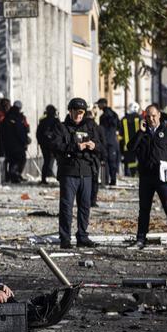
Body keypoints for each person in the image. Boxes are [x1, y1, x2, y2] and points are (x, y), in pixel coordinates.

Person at [45, 98, 101, 249]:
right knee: (66, 207)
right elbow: (55, 145)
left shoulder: (90, 126)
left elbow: (102, 145)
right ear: (70, 111)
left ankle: (82, 236)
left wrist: (93, 145)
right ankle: (65, 239)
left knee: (85, 207)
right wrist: (75, 146)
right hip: (68, 172)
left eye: (81, 112)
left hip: (87, 172)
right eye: (76, 112)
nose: (78, 115)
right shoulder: (61, 127)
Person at [127, 104, 167, 250]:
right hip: (146, 177)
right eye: (148, 116)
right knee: (144, 210)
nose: (151, 119)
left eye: (153, 115)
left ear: (159, 115)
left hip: (163, 179)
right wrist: (140, 132)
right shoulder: (142, 133)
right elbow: (130, 148)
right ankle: (140, 239)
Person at [4, 100, 30, 183]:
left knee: (12, 160)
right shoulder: (18, 117)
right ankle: (15, 175)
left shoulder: (7, 115)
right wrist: (25, 142)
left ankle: (14, 176)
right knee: (20, 159)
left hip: (7, 143)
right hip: (17, 144)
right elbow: (20, 131)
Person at [96, 98, 120, 185]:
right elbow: (118, 126)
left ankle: (108, 180)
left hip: (107, 141)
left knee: (107, 161)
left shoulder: (104, 116)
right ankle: (111, 180)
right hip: (112, 141)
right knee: (111, 161)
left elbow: (102, 130)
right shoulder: (114, 114)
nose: (98, 106)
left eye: (99, 104)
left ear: (103, 104)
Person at [87, 106, 107, 207]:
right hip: (96, 157)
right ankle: (93, 200)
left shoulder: (83, 128)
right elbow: (103, 144)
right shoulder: (99, 128)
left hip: (85, 158)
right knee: (95, 180)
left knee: (86, 180)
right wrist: (104, 157)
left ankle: (86, 200)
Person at [37, 104, 60, 184]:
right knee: (58, 160)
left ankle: (44, 179)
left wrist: (40, 142)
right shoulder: (56, 121)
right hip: (53, 144)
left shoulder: (42, 120)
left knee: (47, 161)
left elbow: (38, 133)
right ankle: (60, 177)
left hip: (45, 144)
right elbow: (59, 132)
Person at [120, 102, 142, 177]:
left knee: (127, 161)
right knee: (137, 160)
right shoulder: (140, 118)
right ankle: (135, 173)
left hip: (126, 145)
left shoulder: (124, 119)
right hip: (138, 145)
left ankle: (129, 173)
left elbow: (120, 133)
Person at [0, 94, 11, 183]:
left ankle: (7, 174)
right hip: (1, 137)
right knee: (3, 156)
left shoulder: (8, 114)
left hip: (7, 138)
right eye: (5, 105)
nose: (7, 107)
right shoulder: (0, 113)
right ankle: (4, 175)